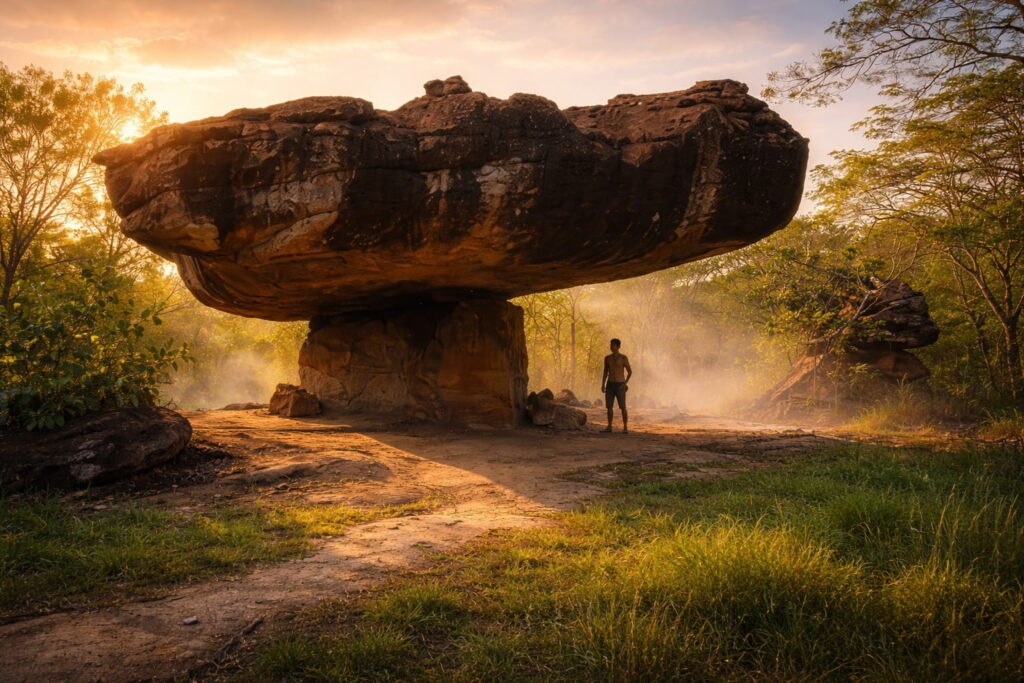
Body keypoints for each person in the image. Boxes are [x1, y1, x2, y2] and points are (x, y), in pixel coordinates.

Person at [601, 338, 632, 433]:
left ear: (618, 347)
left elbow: (630, 372)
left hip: (620, 384)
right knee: (609, 407)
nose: (611, 347)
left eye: (613, 345)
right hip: (610, 384)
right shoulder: (607, 358)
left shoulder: (623, 358)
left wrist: (625, 383)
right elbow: (605, 372)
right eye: (610, 345)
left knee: (623, 407)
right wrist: (603, 384)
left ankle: (625, 427)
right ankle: (609, 427)